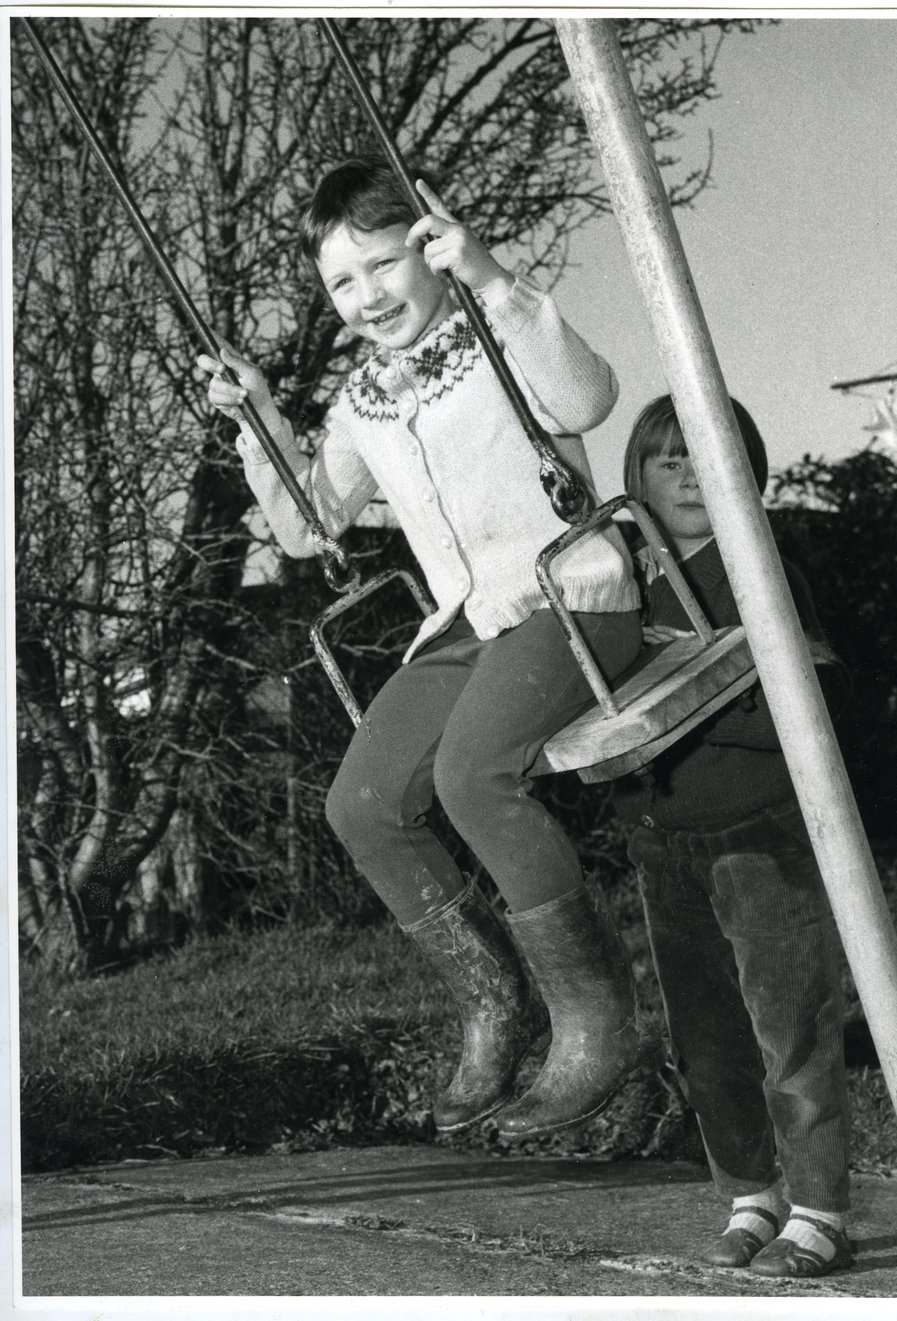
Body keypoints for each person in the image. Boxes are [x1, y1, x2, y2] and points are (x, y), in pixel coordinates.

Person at [197, 158, 643, 1141]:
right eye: (341, 284)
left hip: (573, 594)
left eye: (381, 265)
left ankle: (595, 1018)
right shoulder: (364, 398)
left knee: (473, 773)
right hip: (470, 619)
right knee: (359, 803)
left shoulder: (495, 328)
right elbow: (313, 522)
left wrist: (492, 280)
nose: (366, 298)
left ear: (430, 244)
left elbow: (587, 399)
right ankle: (495, 999)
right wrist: (257, 418)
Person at [614, 394, 853, 1279]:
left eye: (704, 456)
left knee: (788, 1021)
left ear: (747, 471)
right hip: (662, 837)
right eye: (664, 458)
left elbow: (809, 696)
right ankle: (751, 1196)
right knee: (705, 1034)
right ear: (633, 477)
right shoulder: (619, 579)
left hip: (759, 828)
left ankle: (821, 1208)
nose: (683, 473)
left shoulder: (762, 567)